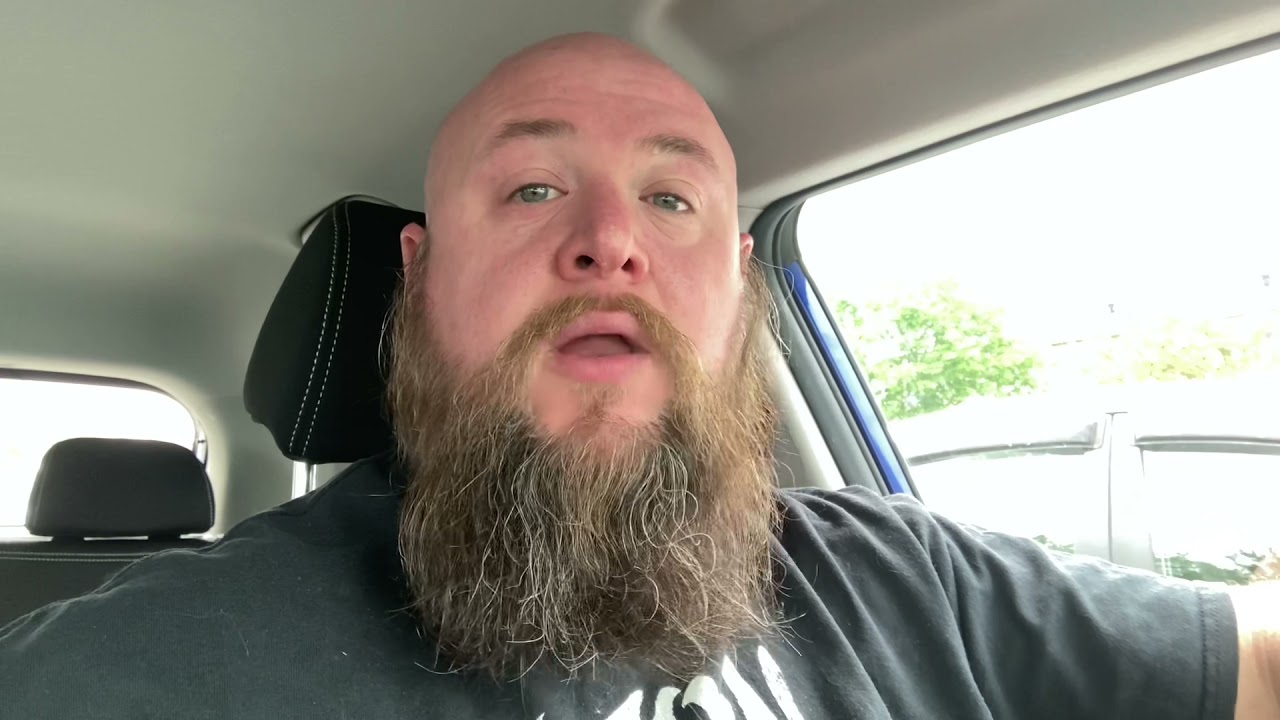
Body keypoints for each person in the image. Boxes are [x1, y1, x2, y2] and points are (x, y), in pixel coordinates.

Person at [1, 32, 1276, 720]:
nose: (609, 240)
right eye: (531, 188)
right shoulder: (144, 670)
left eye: (670, 199)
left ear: (735, 284)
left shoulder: (907, 581)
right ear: (421, 277)